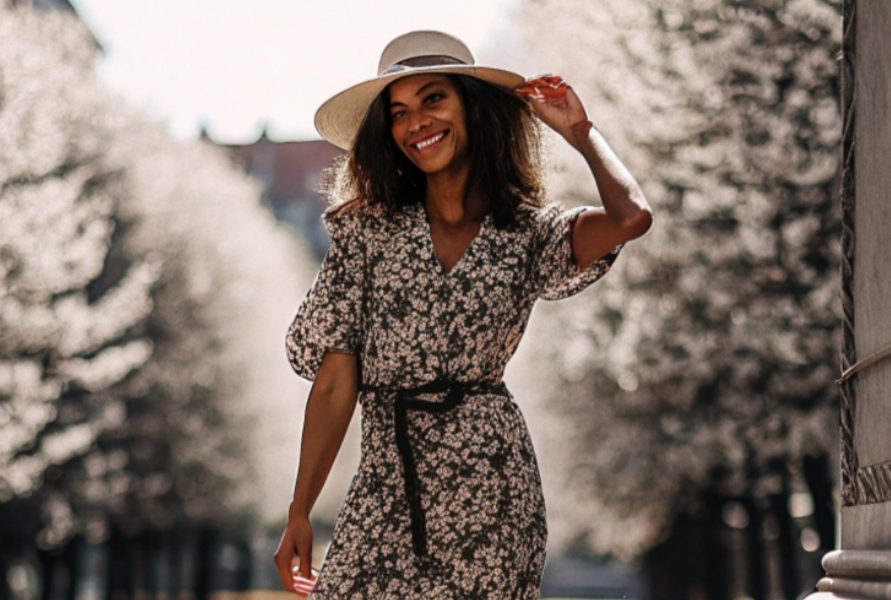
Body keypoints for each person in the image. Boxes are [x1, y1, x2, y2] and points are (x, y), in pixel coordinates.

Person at [276, 30, 652, 598]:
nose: (416, 123)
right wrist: (300, 510)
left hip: (493, 485)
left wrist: (581, 131)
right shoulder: (366, 233)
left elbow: (630, 217)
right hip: (385, 484)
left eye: (434, 99)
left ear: (472, 108)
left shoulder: (528, 232)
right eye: (398, 111)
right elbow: (334, 384)